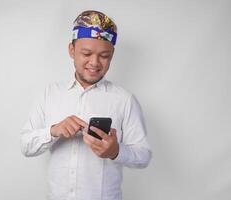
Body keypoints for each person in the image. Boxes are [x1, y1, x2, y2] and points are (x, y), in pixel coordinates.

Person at [20, 10, 152, 200]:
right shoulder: (50, 93)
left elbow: (144, 156)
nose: (95, 62)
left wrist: (116, 151)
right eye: (86, 53)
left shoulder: (124, 100)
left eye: (104, 55)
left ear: (112, 55)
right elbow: (26, 145)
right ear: (72, 51)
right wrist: (53, 130)